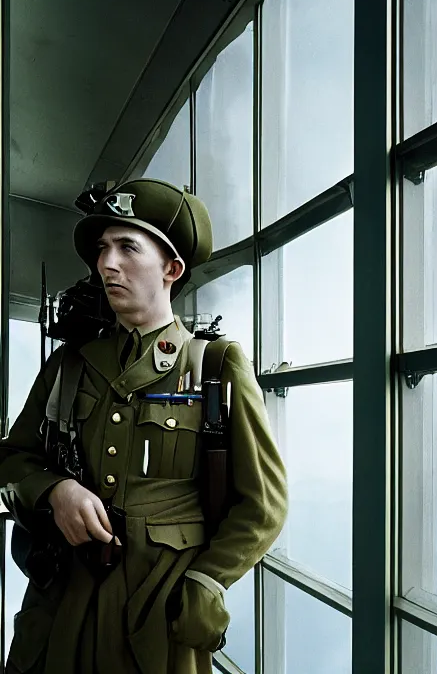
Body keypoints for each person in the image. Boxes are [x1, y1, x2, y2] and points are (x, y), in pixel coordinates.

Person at [0, 179, 287, 674]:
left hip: (157, 618)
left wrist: (207, 583)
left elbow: (263, 504)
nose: (106, 263)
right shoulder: (70, 365)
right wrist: (54, 492)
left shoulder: (215, 366)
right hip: (62, 609)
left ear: (172, 269)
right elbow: (12, 457)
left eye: (128, 247)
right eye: (103, 249)